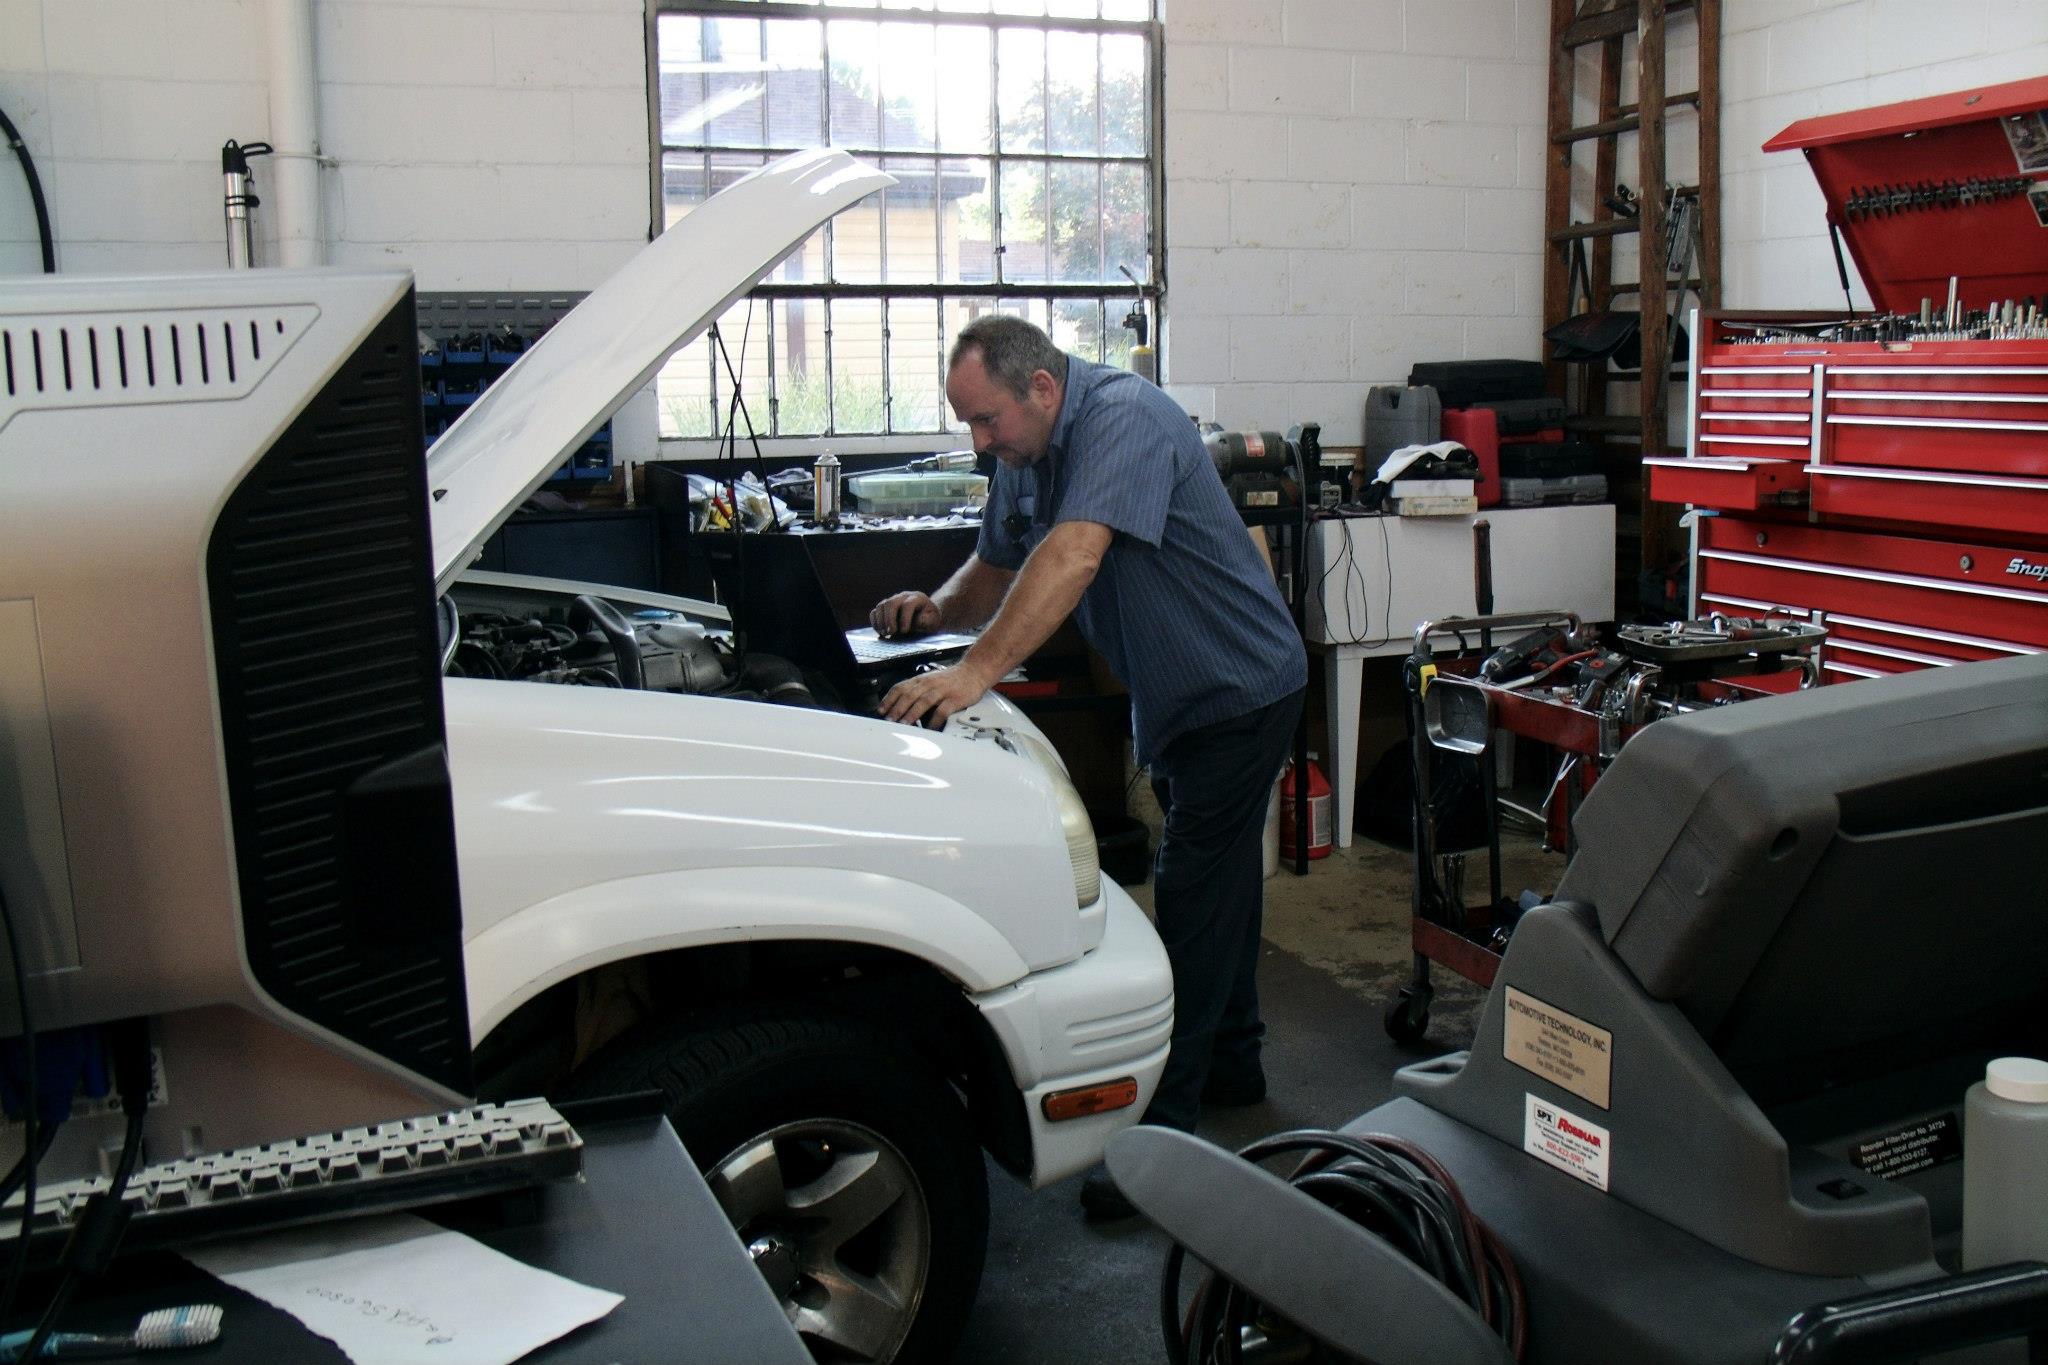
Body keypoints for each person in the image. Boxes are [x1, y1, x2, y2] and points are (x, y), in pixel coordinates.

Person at [871, 316, 1306, 1221]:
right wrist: (935, 609)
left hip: (1239, 687)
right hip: (1180, 694)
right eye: (968, 423)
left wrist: (973, 673)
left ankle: (1167, 1135)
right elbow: (996, 565)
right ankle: (1235, 1064)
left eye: (986, 420)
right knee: (1222, 883)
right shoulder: (1025, 451)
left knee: (1190, 895)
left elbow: (1072, 553)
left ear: (1042, 388)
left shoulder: (1123, 418)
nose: (978, 443)